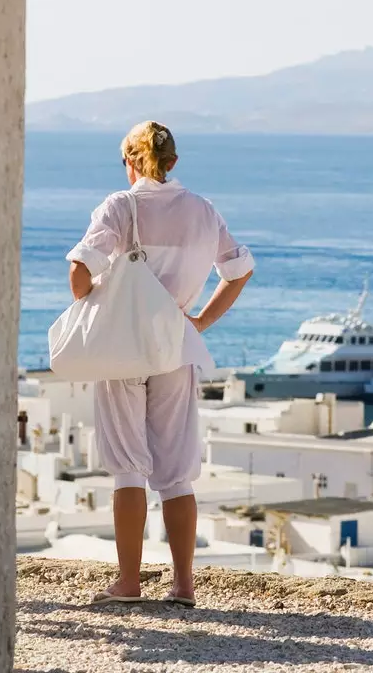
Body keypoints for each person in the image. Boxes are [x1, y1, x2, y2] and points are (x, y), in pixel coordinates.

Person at [65, 121, 254, 608]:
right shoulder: (203, 211)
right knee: (176, 473)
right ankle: (184, 586)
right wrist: (198, 323)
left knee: (129, 467)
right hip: (175, 346)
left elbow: (79, 275)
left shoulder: (119, 206)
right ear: (173, 163)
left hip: (125, 347)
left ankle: (129, 583)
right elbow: (239, 271)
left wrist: (96, 299)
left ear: (130, 161)